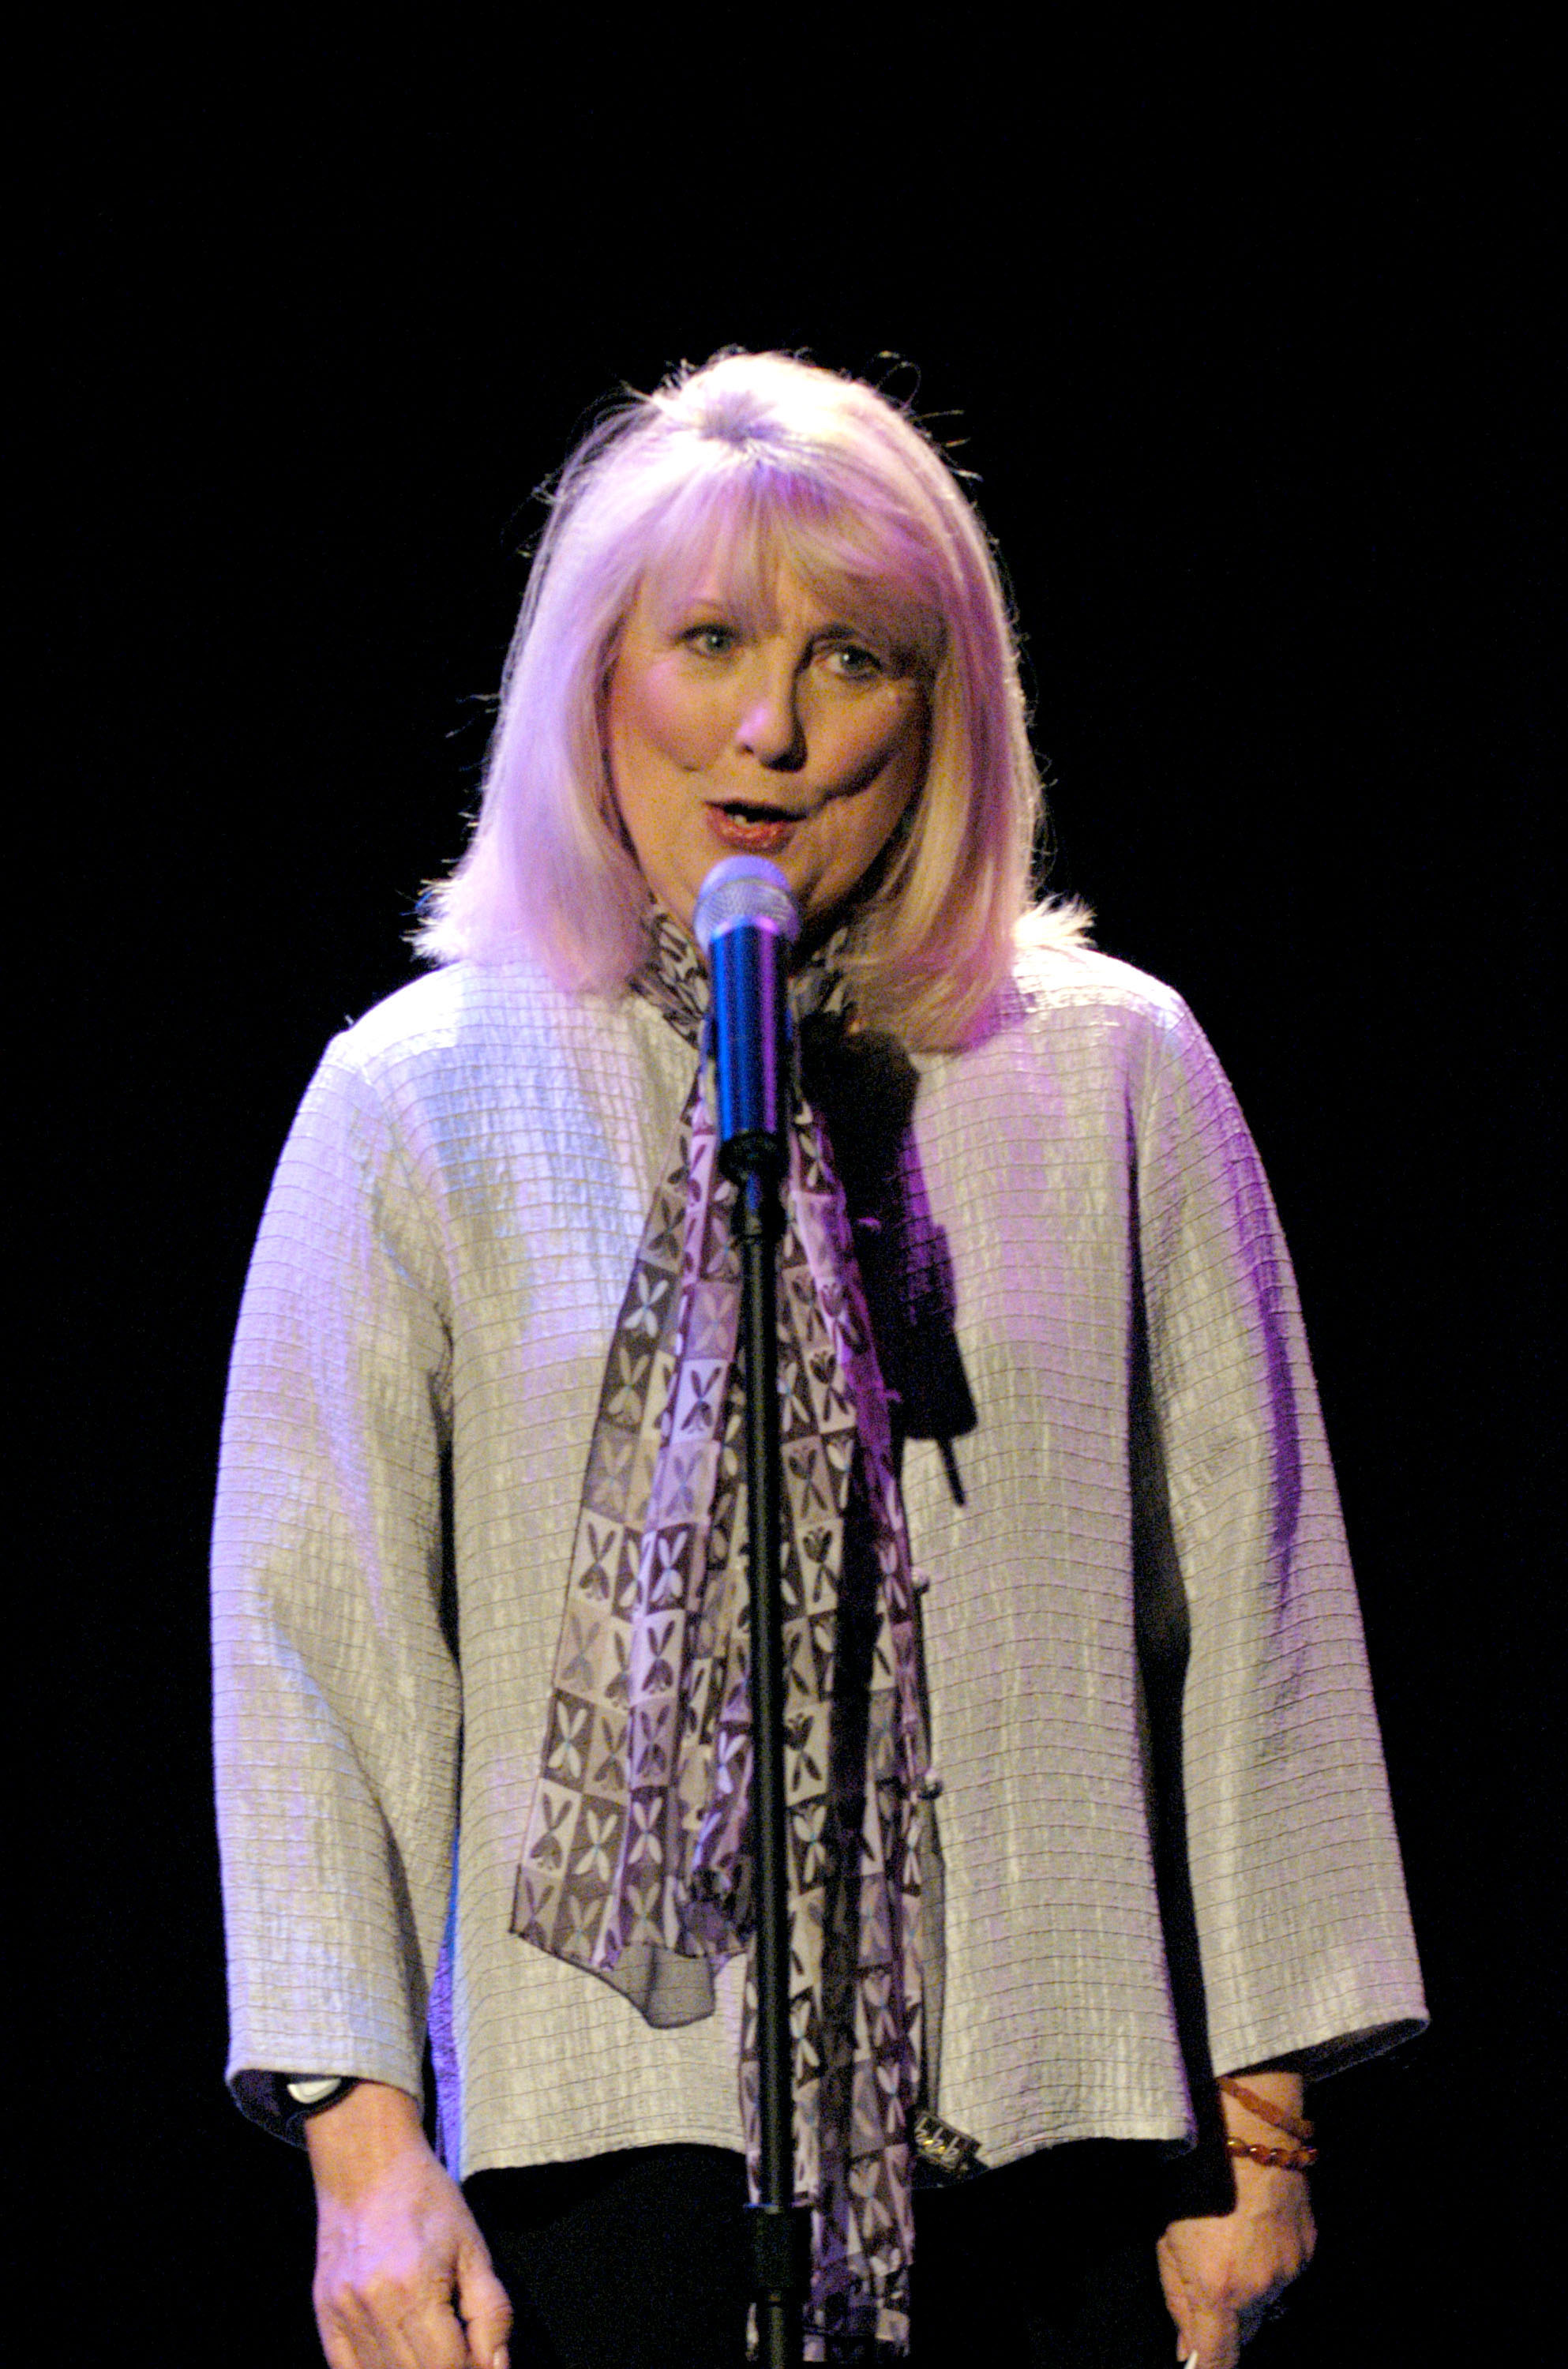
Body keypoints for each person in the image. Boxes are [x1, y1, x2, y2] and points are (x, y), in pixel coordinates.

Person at [212, 350, 1427, 2369]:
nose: (772, 728)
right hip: (594, 2166)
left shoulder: (1116, 1067)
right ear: (599, 680)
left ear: (941, 708)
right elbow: (314, 1643)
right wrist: (360, 2149)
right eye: (709, 642)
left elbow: (1254, 1599)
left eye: (852, 658)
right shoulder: (417, 1097)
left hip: (1067, 2153)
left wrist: (1269, 2134)